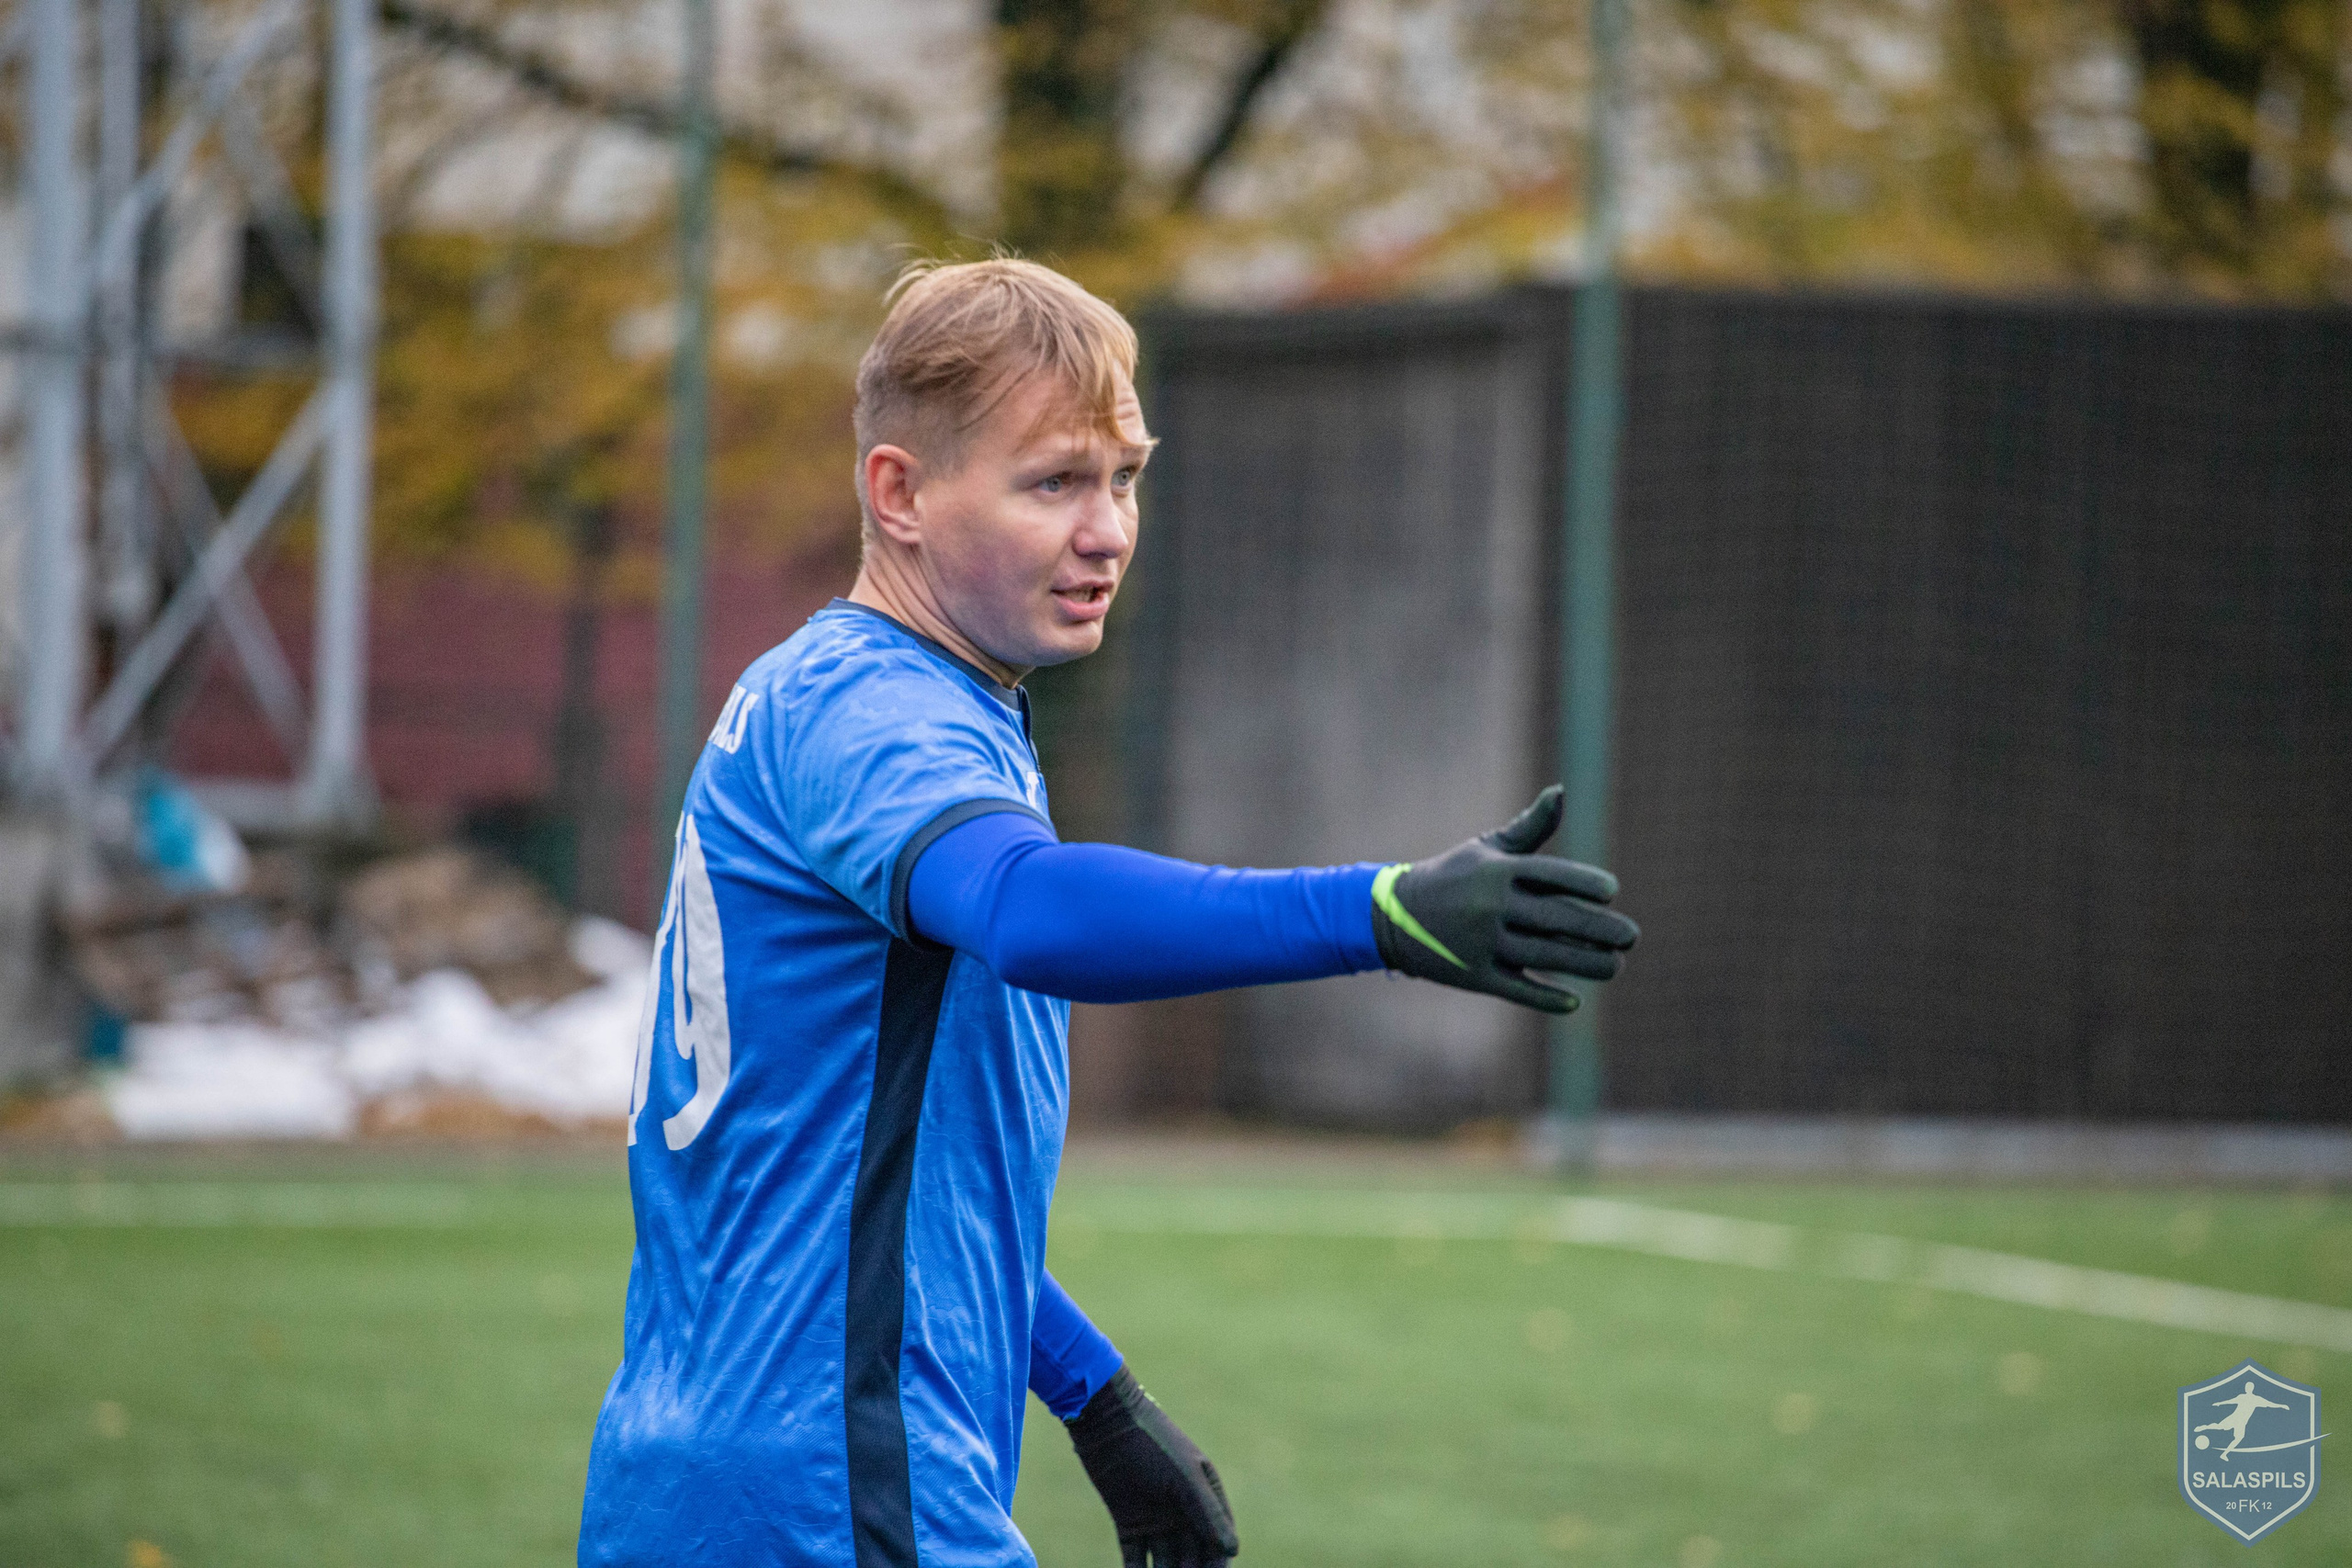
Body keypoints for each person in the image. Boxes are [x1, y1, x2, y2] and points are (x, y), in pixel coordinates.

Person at [578, 258, 1640, 1568]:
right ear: (898, 493)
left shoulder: (861, 697)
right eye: (1054, 482)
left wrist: (1096, 1397)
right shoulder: (880, 713)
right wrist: (1381, 913)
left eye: (1123, 476)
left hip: (724, 1480)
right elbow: (1034, 911)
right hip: (830, 1494)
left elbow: (894, 1187)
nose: (1108, 531)